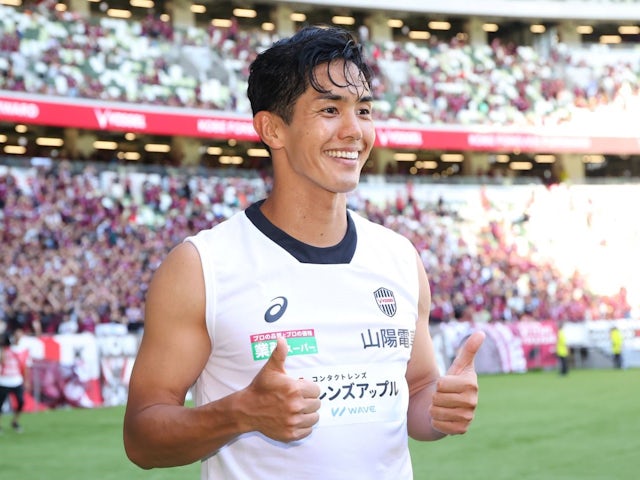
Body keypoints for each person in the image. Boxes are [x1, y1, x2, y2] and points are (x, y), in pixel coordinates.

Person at [123, 25, 485, 479]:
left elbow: (416, 392)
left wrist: (440, 409)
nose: (354, 131)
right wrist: (240, 413)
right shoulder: (201, 267)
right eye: (330, 109)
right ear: (272, 128)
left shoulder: (399, 257)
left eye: (364, 110)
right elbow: (141, 438)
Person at [0, 329, 30, 433]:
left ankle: (15, 421)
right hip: (3, 381)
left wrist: (26, 380)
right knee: (1, 404)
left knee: (21, 402)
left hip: (16, 380)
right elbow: (2, 361)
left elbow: (24, 366)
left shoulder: (19, 350)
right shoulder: (4, 351)